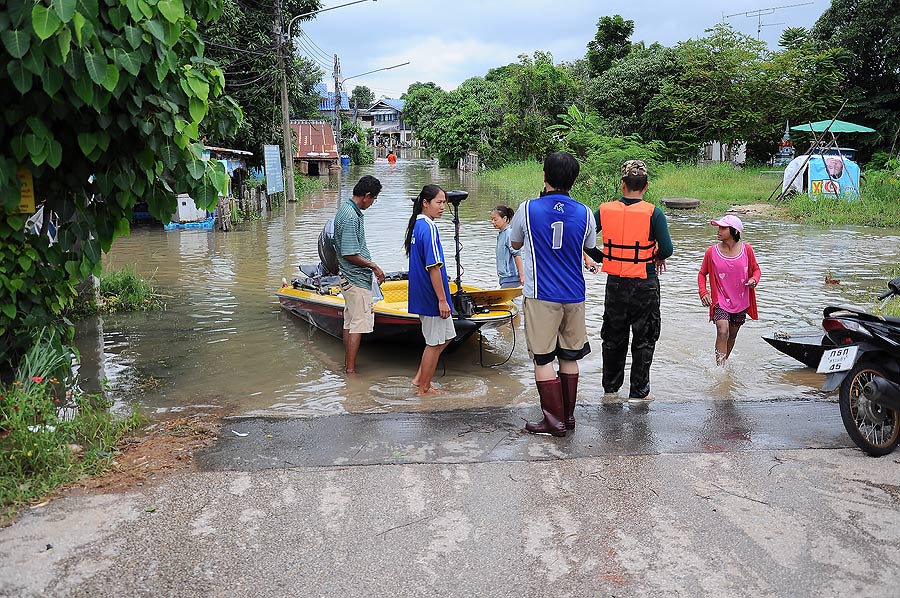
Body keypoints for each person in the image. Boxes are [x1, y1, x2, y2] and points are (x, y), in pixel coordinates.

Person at [510, 152, 598, 436]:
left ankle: (553, 420)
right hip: (574, 294)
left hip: (541, 295)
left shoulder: (527, 208)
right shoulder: (585, 212)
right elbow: (588, 246)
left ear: (544, 176)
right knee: (569, 356)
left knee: (543, 358)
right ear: (574, 181)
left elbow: (515, 242)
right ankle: (567, 417)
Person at [587, 159, 673, 401]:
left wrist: (604, 257)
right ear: (646, 187)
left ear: (622, 184)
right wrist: (655, 254)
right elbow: (667, 249)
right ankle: (639, 392)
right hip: (645, 282)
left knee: (613, 337)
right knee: (644, 338)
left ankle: (611, 390)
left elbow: (585, 237)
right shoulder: (654, 213)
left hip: (615, 282)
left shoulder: (604, 210)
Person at [332, 175, 385, 374]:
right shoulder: (351, 217)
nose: (372, 204)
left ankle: (348, 365)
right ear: (367, 196)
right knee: (358, 325)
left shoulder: (346, 209)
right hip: (354, 278)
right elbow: (349, 253)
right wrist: (374, 267)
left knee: (350, 321)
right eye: (374, 199)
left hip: (347, 276)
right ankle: (351, 371)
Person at [405, 184, 455, 395]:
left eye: (444, 202)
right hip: (431, 295)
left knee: (447, 336)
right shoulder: (429, 227)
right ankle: (424, 388)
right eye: (439, 202)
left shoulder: (418, 225)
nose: (443, 207)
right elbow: (434, 266)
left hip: (424, 292)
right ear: (425, 203)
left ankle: (419, 379)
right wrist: (442, 300)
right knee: (434, 343)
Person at [697, 215, 761, 366]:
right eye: (718, 227)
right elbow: (702, 274)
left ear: (734, 231)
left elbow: (756, 270)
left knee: (732, 335)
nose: (718, 231)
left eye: (723, 228)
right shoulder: (711, 252)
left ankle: (724, 362)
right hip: (720, 300)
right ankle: (720, 369)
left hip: (741, 301)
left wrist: (754, 280)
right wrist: (704, 292)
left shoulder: (747, 250)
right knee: (723, 331)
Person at [490, 205, 524, 288]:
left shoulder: (509, 233)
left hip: (511, 278)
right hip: (504, 278)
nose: (493, 222)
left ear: (504, 219)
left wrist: (522, 275)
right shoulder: (501, 234)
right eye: (492, 219)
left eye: (495, 219)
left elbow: (517, 254)